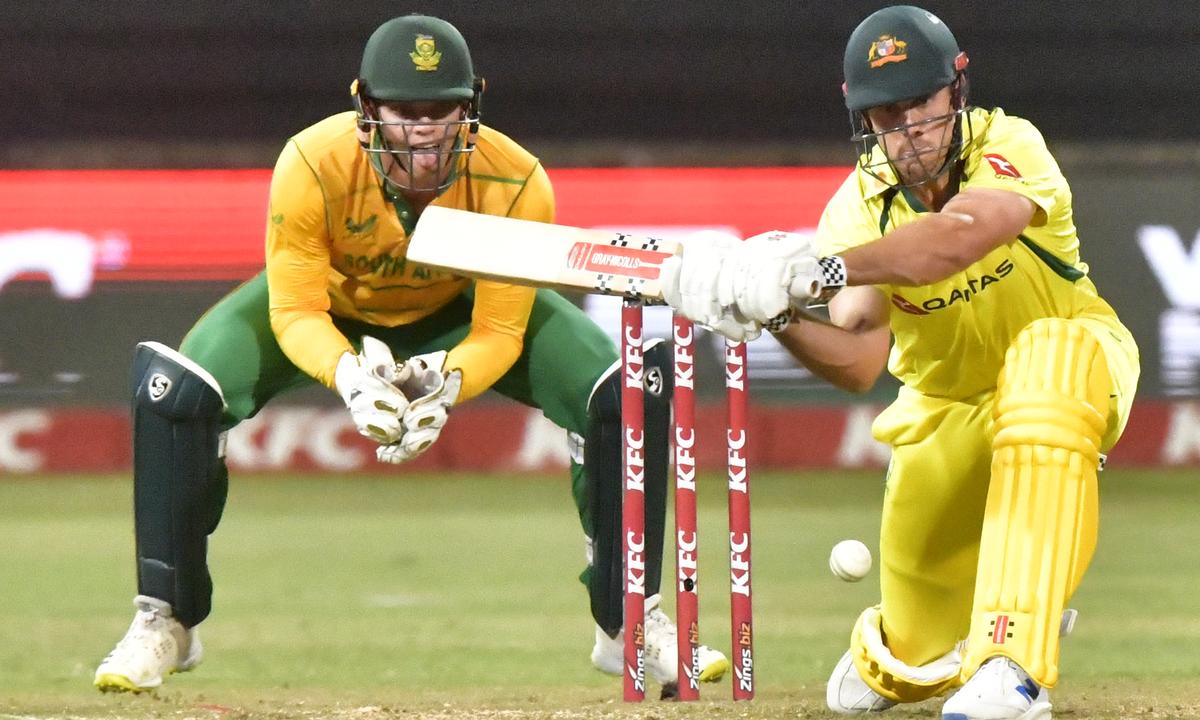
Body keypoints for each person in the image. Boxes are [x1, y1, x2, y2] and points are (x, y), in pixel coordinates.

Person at [93, 14, 726, 695]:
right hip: (336, 309)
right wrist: (350, 378)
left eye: (442, 111)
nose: (424, 134)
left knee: (627, 388)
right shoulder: (312, 162)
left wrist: (447, 385)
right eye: (405, 113)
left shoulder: (516, 182)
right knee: (174, 390)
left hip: (457, 316)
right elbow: (296, 310)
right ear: (366, 109)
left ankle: (630, 621)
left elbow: (500, 333)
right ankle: (167, 621)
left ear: (471, 106)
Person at [660, 5, 1139, 719]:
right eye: (886, 116)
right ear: (863, 120)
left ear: (956, 90)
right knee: (902, 660)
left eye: (921, 104)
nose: (908, 131)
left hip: (1076, 360)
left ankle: (1015, 658)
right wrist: (771, 316)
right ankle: (934, 644)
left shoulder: (1009, 144)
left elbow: (952, 243)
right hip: (944, 408)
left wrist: (814, 271)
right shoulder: (856, 208)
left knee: (1047, 369)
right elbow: (857, 360)